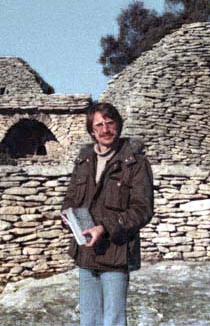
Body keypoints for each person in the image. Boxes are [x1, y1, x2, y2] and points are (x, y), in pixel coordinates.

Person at [62, 102, 154, 326]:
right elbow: (71, 198)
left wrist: (103, 227)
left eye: (110, 123)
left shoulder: (135, 163)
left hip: (116, 251)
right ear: (92, 131)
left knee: (113, 320)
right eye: (99, 125)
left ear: (118, 126)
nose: (105, 129)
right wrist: (67, 216)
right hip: (86, 250)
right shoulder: (84, 160)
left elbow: (142, 209)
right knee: (89, 319)